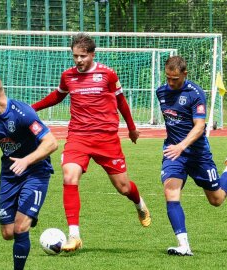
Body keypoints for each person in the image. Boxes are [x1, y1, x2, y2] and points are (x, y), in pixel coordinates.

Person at [31, 32, 151, 252]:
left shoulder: (107, 75)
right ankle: (74, 235)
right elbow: (57, 96)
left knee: (123, 187)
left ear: (92, 54)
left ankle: (139, 203)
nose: (78, 60)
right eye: (75, 56)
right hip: (78, 136)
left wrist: (132, 128)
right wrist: (33, 108)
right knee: (69, 175)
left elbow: (121, 102)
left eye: (83, 56)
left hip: (106, 139)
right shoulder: (68, 76)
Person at [156, 56, 227, 256]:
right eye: (168, 78)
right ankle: (184, 245)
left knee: (216, 199)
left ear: (185, 74)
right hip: (173, 152)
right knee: (170, 193)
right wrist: (176, 147)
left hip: (198, 154)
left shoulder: (195, 93)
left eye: (175, 78)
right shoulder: (160, 92)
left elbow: (199, 126)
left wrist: (182, 145)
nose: (171, 82)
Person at [0, 73, 58, 270]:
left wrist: (27, 160)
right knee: (8, 233)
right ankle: (29, 214)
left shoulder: (23, 113)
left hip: (36, 172)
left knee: (20, 227)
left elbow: (52, 143)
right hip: (10, 177)